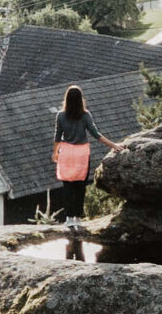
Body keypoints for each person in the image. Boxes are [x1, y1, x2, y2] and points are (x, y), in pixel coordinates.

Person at [51, 85, 126, 259]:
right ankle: (78, 217)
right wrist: (114, 145)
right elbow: (96, 134)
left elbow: (57, 135)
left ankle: (69, 219)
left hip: (67, 152)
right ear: (80, 99)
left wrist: (55, 153)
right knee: (80, 186)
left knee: (67, 185)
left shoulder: (60, 115)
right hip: (81, 153)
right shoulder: (85, 115)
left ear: (67, 99)